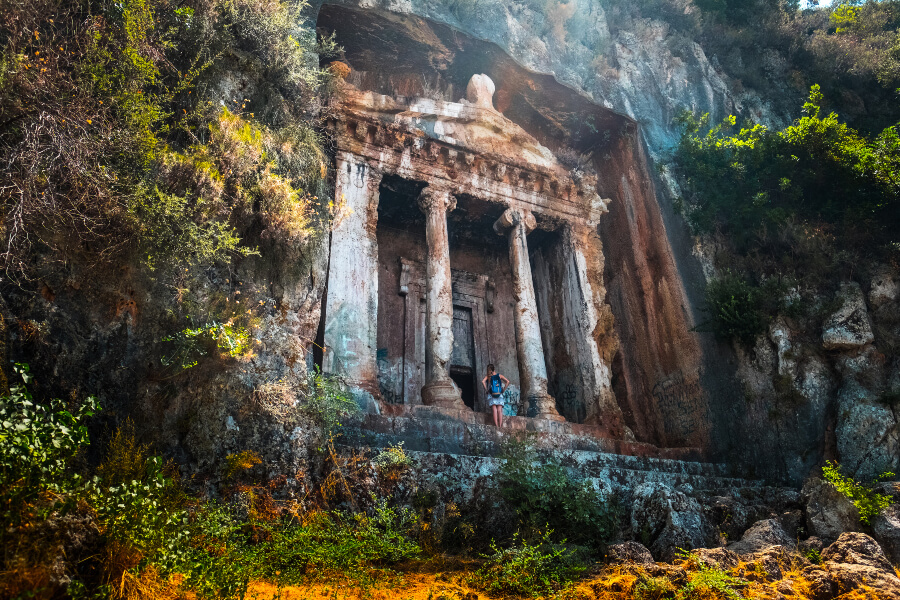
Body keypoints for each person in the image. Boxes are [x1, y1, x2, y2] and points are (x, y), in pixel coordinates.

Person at [481, 364, 509, 428]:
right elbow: (507, 381)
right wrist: (503, 389)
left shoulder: (488, 376)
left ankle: (496, 426)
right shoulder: (499, 375)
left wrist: (486, 390)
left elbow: (483, 381)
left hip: (491, 394)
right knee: (499, 410)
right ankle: (500, 426)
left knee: (494, 410)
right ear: (494, 369)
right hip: (499, 394)